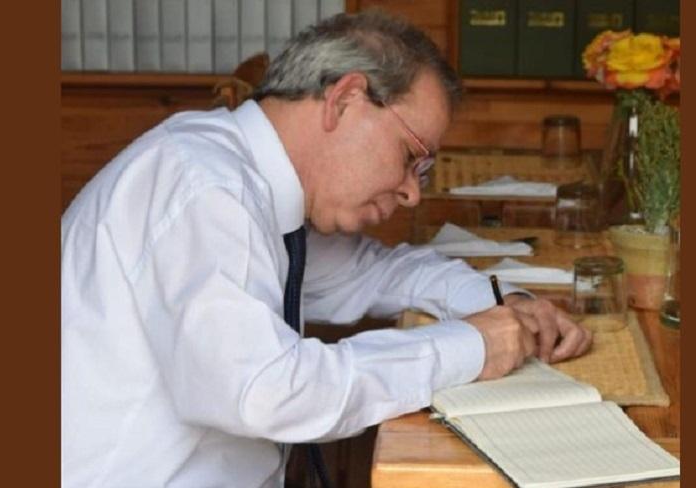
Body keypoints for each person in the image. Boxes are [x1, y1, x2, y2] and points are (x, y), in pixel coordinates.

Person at [61, 11, 592, 488]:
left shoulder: (256, 184)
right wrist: (471, 347)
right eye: (411, 156)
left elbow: (383, 274)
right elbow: (268, 391)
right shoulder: (203, 187)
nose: (412, 192)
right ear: (344, 99)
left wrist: (505, 303)